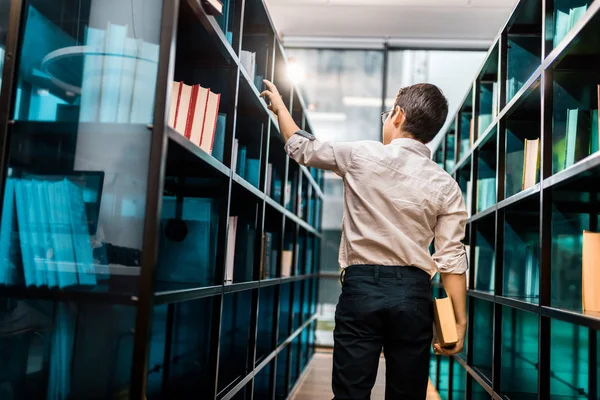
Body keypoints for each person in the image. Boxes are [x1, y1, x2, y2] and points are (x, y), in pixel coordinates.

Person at [261, 80, 467, 400]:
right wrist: (459, 319)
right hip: (414, 296)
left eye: (387, 114)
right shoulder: (446, 185)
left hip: (362, 290)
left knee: (350, 393)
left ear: (397, 115)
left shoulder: (360, 154)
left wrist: (280, 109)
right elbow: (451, 256)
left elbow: (301, 147)